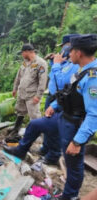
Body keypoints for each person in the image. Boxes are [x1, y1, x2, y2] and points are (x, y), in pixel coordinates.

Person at [4, 35, 80, 165]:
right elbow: (21, 76)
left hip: (50, 98)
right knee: (32, 117)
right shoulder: (27, 62)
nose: (63, 50)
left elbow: (48, 81)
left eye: (65, 47)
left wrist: (38, 95)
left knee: (41, 121)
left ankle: (50, 151)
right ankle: (44, 148)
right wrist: (15, 87)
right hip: (51, 97)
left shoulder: (42, 63)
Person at [55, 34, 97, 200]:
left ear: (78, 52)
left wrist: (78, 141)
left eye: (70, 50)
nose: (67, 54)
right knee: (69, 159)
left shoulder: (93, 78)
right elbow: (69, 93)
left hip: (75, 127)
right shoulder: (83, 71)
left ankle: (70, 196)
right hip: (67, 121)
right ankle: (68, 192)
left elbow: (94, 114)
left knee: (73, 164)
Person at [9, 44, 48, 135]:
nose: (22, 55)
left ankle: (38, 135)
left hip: (32, 95)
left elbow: (43, 81)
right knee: (20, 111)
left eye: (22, 53)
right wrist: (15, 88)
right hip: (22, 93)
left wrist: (38, 96)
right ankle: (16, 128)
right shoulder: (24, 62)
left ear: (27, 52)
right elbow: (18, 76)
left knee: (34, 116)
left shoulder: (40, 63)